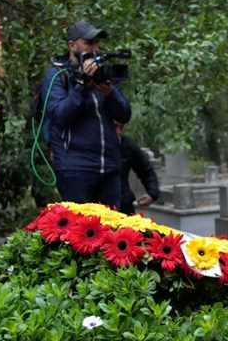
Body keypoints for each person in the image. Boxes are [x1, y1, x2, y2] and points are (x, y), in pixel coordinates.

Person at [41, 20, 132, 207]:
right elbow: (60, 116)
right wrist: (81, 85)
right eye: (89, 43)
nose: (95, 48)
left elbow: (124, 115)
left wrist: (110, 94)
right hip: (74, 168)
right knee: (80, 224)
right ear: (72, 46)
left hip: (109, 167)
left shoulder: (103, 74)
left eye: (97, 43)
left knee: (112, 224)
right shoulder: (57, 74)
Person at [115, 122, 160, 214]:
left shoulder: (128, 146)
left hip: (124, 204)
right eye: (115, 127)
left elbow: (146, 170)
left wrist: (152, 193)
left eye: (121, 127)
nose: (119, 132)